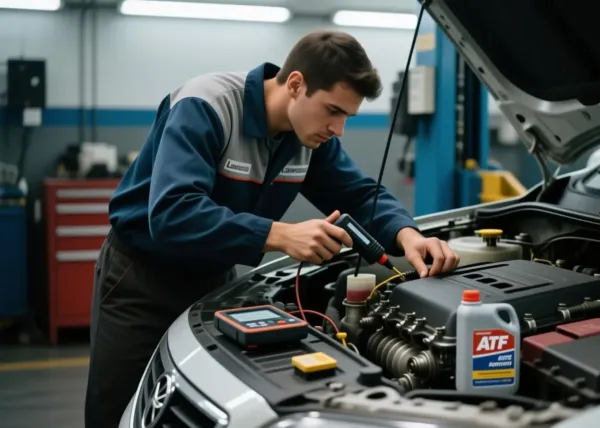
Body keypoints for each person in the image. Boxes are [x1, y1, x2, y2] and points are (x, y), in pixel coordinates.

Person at [84, 30, 460, 427]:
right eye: (333, 110)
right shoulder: (206, 105)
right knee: (123, 411)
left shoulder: (309, 139)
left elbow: (358, 193)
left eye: (346, 116)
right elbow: (172, 212)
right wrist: (283, 235)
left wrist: (408, 235)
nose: (338, 129)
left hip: (213, 280)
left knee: (200, 411)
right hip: (140, 281)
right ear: (295, 84)